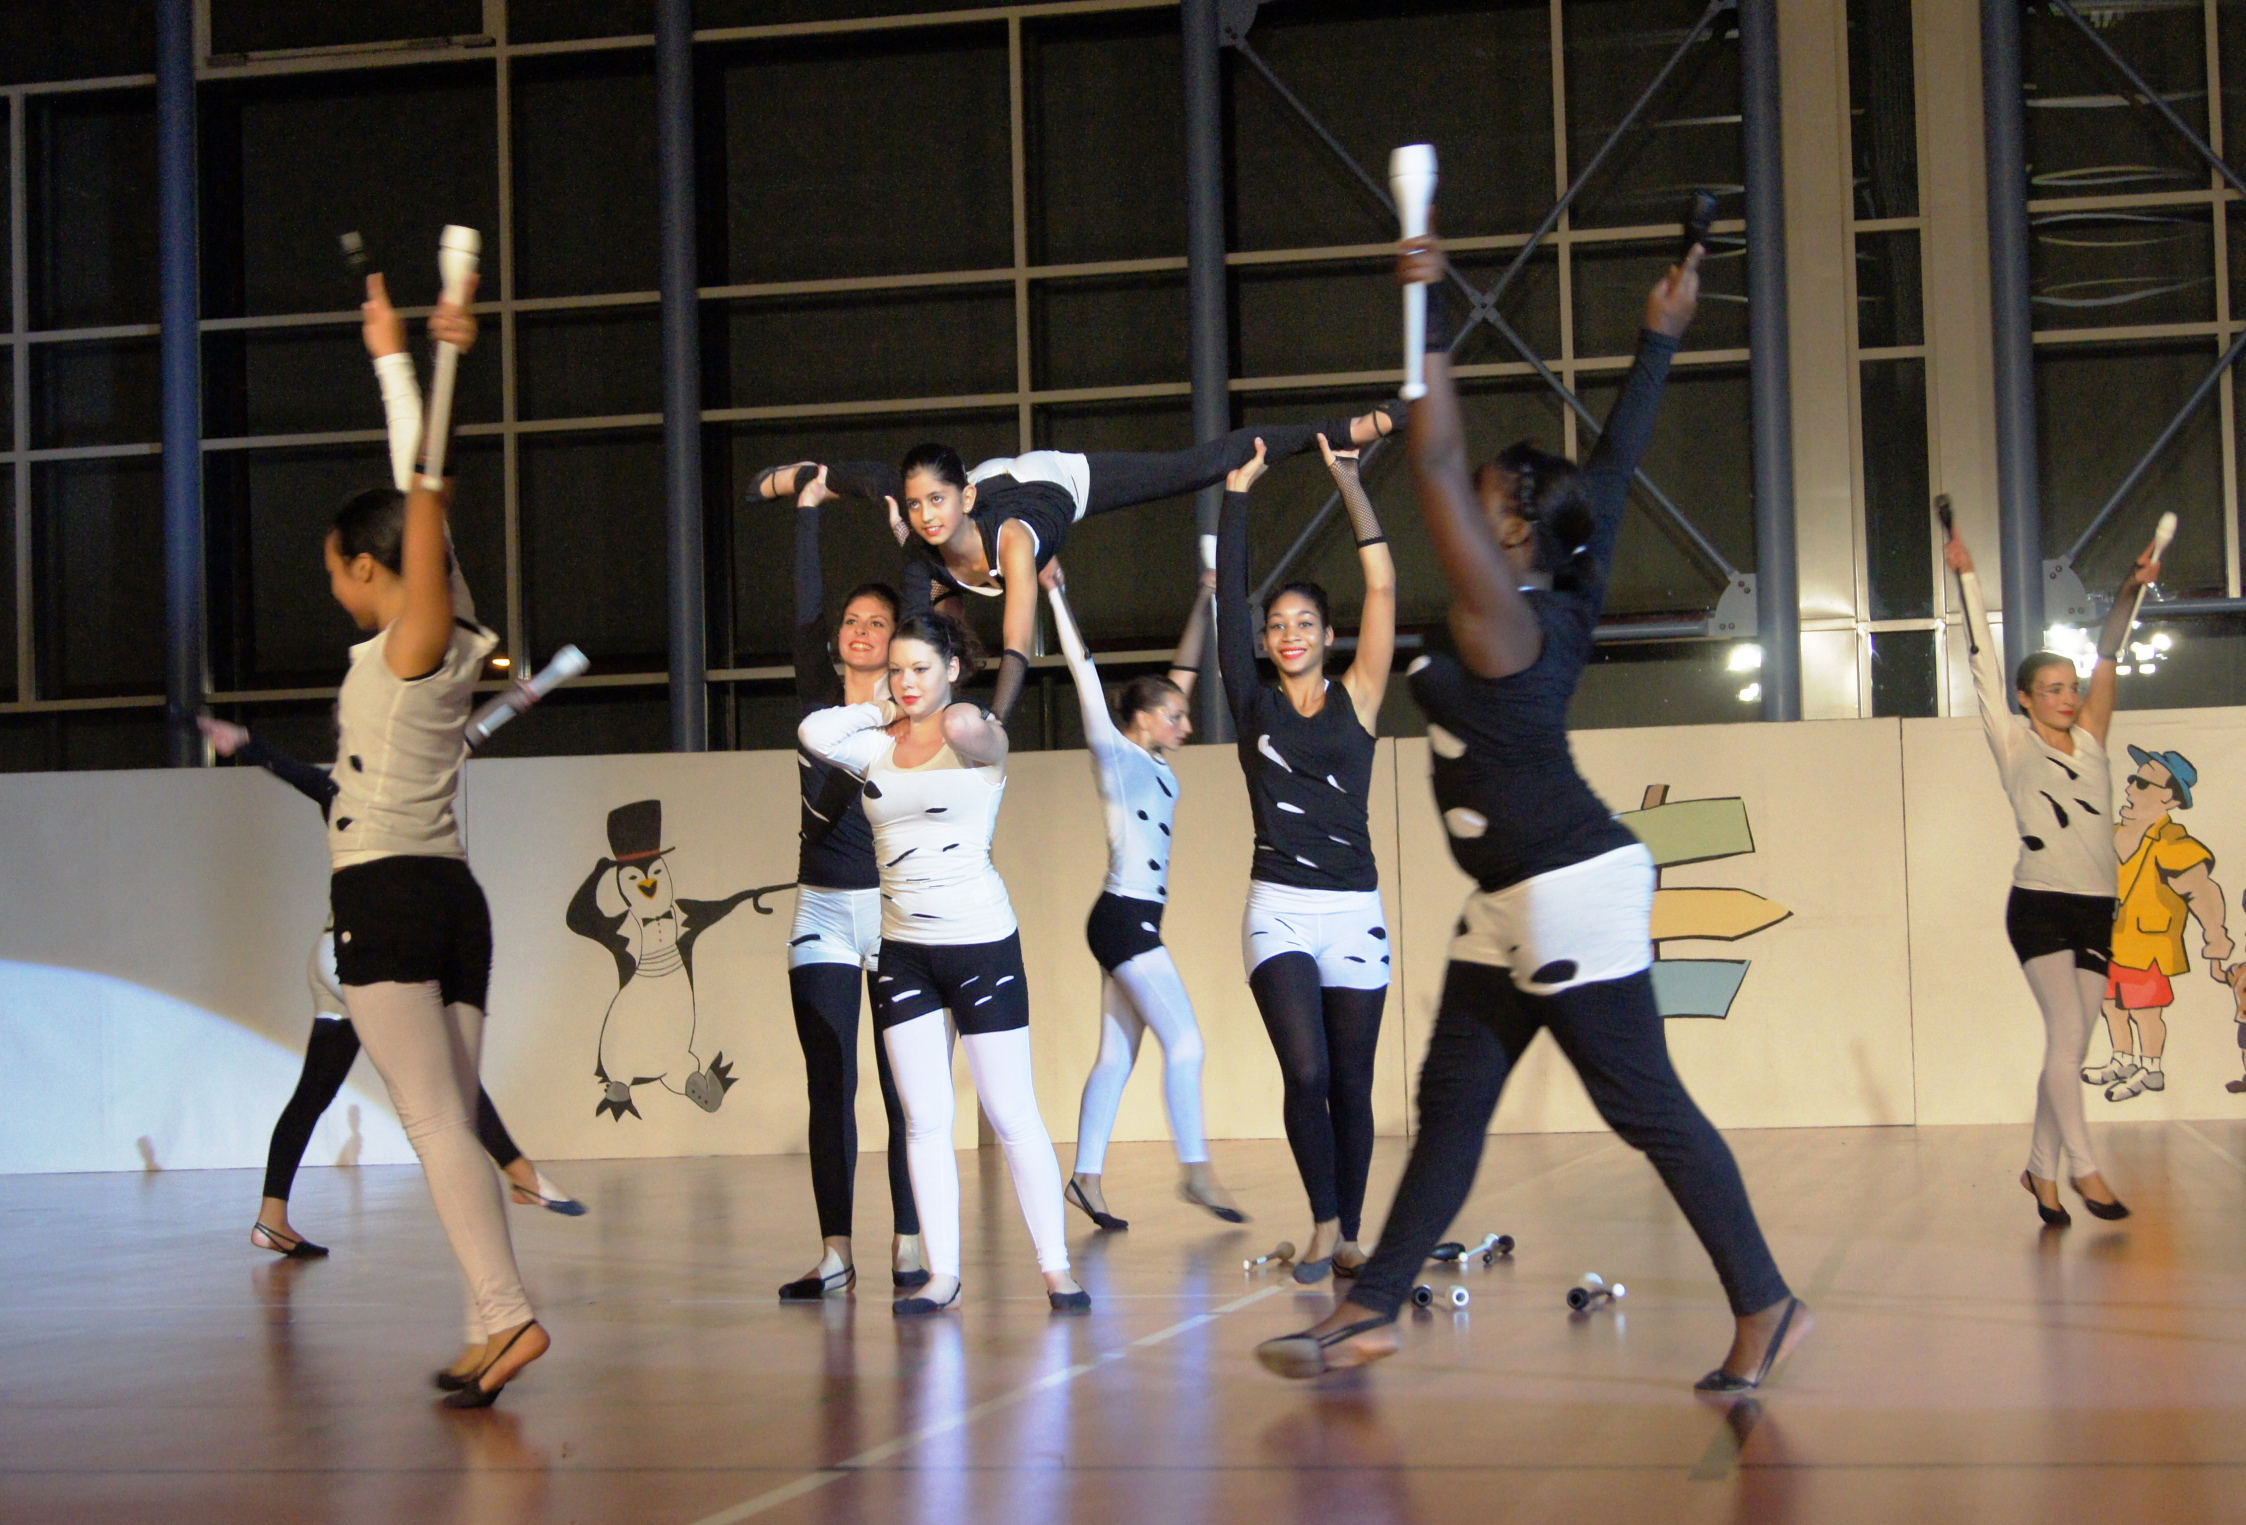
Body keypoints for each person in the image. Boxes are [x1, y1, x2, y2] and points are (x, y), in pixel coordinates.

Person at [1257, 227, 1806, 1393]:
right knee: (1451, 1099)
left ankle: (1763, 1300)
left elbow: (1433, 457)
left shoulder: (1508, 619)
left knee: (1642, 1104)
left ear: (1510, 527)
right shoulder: (1557, 572)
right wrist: (1658, 336)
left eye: (1489, 496)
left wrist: (1427, 316)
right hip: (1508, 898)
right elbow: (1616, 462)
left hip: (1568, 888)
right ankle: (1367, 1307)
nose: (1472, 500)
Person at [320, 268, 546, 1406]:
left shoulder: (408, 643)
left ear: (368, 566)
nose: (332, 582)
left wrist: (426, 358)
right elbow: (430, 507)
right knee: (453, 1114)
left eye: (334, 566)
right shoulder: (449, 629)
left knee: (431, 1121)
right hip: (454, 898)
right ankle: (481, 1326)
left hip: (388, 895)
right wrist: (400, 358)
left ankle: (507, 1317)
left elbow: (425, 490)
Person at [199, 716, 582, 1263]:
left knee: (314, 1093)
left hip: (331, 954)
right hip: (365, 958)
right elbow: (459, 742)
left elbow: (301, 773)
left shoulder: (344, 792)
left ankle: (271, 1218)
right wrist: (509, 708)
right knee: (449, 1070)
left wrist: (246, 743)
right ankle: (520, 1173)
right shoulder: (392, 796)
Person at [751, 406, 1397, 723]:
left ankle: (1341, 428)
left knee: (1196, 466)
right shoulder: (924, 537)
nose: (925, 515)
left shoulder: (1012, 543)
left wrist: (994, 725)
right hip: (982, 497)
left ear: (962, 498)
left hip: (1050, 484)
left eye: (937, 502)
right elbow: (915, 645)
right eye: (922, 506)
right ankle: (813, 475)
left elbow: (1017, 646)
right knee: (886, 489)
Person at [798, 614, 1088, 1315]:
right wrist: (884, 706)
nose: (906, 681)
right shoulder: (875, 745)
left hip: (981, 944)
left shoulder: (978, 738)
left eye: (921, 668)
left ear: (954, 669)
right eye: (896, 669)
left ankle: (1057, 1269)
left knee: (1011, 1112)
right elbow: (814, 733)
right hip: (903, 952)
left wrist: (938, 702)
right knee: (924, 1118)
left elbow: (962, 724)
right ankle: (942, 1273)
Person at [1216, 429, 1397, 1284]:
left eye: (1304, 623)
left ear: (1328, 635)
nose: (1289, 634)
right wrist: (1237, 495)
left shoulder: (1361, 696)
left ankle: (1351, 1232)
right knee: (1307, 1069)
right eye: (1278, 625)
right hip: (1278, 910)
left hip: (1355, 912)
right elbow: (1228, 605)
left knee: (1353, 1084)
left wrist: (1350, 482)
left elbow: (1383, 584)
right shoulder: (1251, 702)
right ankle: (1325, 1223)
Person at [1946, 523, 2156, 1222]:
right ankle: (2085, 1169)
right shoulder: (2012, 742)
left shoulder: (2092, 736)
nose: (2068, 697)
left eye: (2071, 687)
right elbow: (1982, 658)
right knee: (2066, 1033)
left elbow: (2110, 649)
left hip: (2096, 906)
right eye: (2053, 689)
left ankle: (2040, 1171)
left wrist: (2128, 589)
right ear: (2026, 698)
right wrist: (1967, 576)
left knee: (2072, 1044)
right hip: (2038, 903)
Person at [1043, 556, 1243, 1229]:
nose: (1188, 724)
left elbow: (1184, 669)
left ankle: (1086, 1179)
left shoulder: (1153, 755)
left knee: (1116, 1055)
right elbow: (1083, 673)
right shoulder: (1118, 755)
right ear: (1145, 720)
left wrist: (1204, 599)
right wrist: (1057, 595)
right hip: (1124, 919)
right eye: (1176, 716)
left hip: (1127, 918)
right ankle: (1196, 1170)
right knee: (1186, 1043)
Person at [775, 467, 927, 1300]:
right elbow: (804, 607)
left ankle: (909, 1241)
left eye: (879, 622)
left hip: (899, 915)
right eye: (853, 622)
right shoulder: (817, 699)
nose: (862, 631)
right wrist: (807, 510)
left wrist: (909, 539)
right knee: (830, 1079)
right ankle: (836, 1250)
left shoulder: (914, 707)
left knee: (903, 1085)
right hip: (824, 911)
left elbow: (925, 606)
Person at [2091, 746, 2230, 1104]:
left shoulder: (2174, 844)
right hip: (2109, 943)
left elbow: (2204, 894)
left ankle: (2150, 1069)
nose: (2129, 789)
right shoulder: (2112, 835)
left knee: (2144, 1011)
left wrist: (2216, 942)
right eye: (2131, 780)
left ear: (2169, 797)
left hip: (2148, 946)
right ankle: (2122, 1060)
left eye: (2141, 783)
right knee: (2111, 1006)